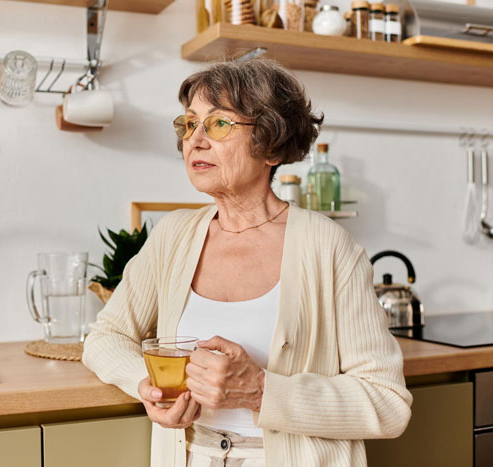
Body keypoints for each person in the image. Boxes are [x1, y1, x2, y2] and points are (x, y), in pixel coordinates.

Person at [82, 58, 412, 467]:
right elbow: (105, 337)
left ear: (271, 146)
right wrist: (148, 387)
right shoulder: (173, 236)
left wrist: (259, 390)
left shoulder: (329, 246)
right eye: (189, 124)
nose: (195, 140)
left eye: (219, 124)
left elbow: (388, 403)